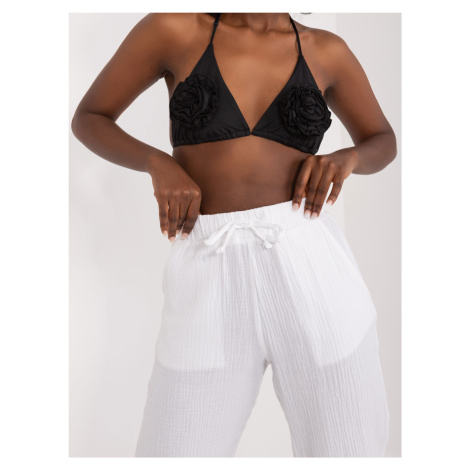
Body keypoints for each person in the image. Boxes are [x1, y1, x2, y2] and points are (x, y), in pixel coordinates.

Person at [71, 12, 397, 458]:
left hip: (310, 264)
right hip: (208, 265)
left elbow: (381, 138)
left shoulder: (326, 50)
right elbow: (90, 117)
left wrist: (348, 158)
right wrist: (157, 163)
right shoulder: (173, 29)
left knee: (348, 450)